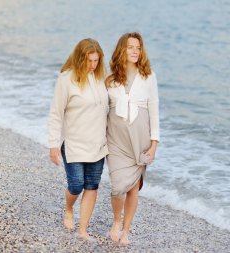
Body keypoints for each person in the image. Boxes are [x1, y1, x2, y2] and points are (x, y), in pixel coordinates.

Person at [48, 38, 109, 240]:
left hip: (98, 144)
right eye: (89, 61)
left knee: (92, 185)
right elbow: (56, 113)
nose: (93, 65)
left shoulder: (102, 77)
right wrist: (53, 145)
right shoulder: (67, 79)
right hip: (74, 143)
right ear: (80, 58)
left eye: (96, 61)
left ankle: (83, 230)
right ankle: (68, 208)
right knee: (76, 185)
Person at [106, 32, 160, 245]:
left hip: (140, 140)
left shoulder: (149, 76)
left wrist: (154, 145)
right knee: (118, 186)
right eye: (130, 47)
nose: (135, 51)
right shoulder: (110, 79)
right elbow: (101, 110)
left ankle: (126, 229)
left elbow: (154, 111)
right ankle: (116, 221)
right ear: (122, 50)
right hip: (116, 142)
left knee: (133, 187)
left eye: (138, 47)